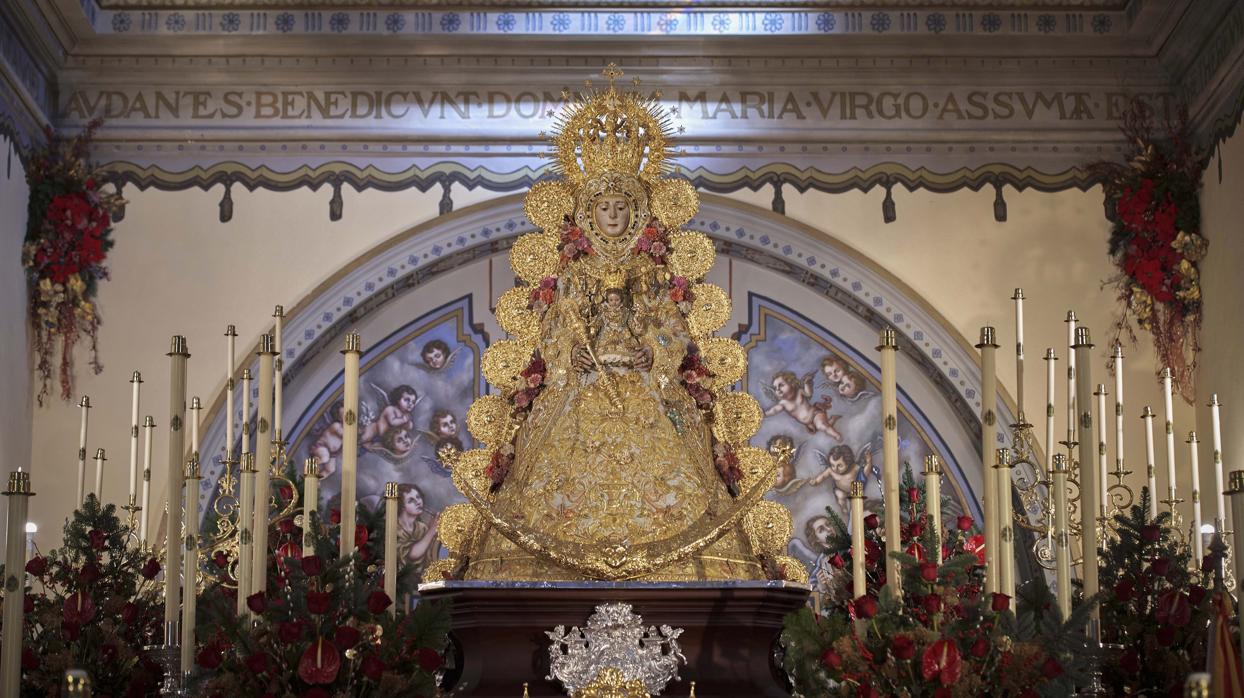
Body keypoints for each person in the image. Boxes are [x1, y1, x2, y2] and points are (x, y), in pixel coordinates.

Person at [764, 370, 842, 441]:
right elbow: (774, 410)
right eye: (775, 388)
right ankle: (832, 419)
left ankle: (837, 435)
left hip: (814, 413)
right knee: (820, 427)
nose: (777, 389)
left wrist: (806, 384)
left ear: (791, 384)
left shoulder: (799, 392)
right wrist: (764, 414)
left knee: (821, 426)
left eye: (781, 385)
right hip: (808, 424)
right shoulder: (783, 403)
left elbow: (808, 394)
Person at [396, 484, 441, 576]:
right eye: (411, 500)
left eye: (418, 497)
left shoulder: (422, 527)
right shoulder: (395, 528)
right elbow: (412, 554)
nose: (418, 502)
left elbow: (431, 554)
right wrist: (432, 531)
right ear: (402, 506)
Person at [310, 401, 346, 478]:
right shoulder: (336, 426)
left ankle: (317, 479)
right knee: (324, 458)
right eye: (344, 415)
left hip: (332, 453)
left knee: (330, 469)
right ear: (339, 417)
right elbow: (344, 435)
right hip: (322, 446)